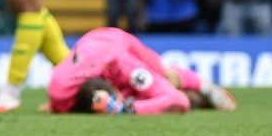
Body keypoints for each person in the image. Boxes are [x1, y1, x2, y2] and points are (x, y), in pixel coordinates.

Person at [48, 27, 236, 115]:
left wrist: (127, 109)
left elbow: (179, 102)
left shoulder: (122, 64)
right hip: (93, 48)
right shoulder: (58, 92)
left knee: (163, 75)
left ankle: (204, 86)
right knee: (139, 93)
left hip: (117, 41)